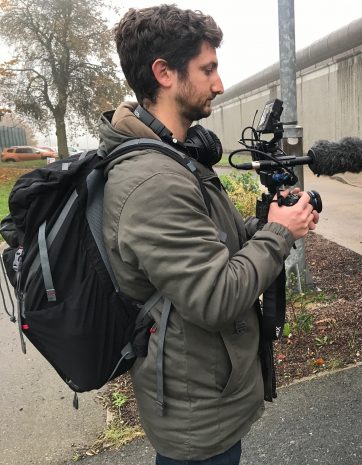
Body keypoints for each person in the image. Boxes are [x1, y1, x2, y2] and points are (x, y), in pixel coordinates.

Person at [100, 5, 319, 464]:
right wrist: (278, 237)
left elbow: (214, 244)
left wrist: (270, 224)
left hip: (204, 388)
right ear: (164, 73)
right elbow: (215, 295)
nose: (219, 84)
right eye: (208, 69)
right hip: (195, 410)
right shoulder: (154, 180)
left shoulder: (173, 157)